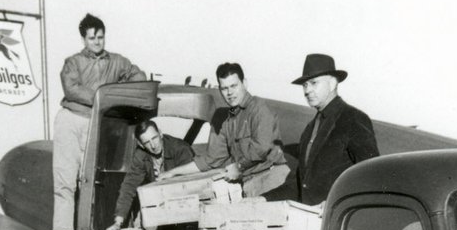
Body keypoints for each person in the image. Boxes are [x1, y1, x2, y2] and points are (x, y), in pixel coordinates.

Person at [51, 13, 146, 230]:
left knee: (89, 179)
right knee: (65, 177)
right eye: (92, 38)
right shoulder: (73, 62)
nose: (96, 42)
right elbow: (71, 88)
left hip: (98, 124)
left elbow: (139, 77)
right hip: (72, 120)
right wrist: (102, 96)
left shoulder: (117, 62)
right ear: (84, 39)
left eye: (100, 37)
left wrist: (116, 94)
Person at [157, 62, 286, 197]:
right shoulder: (226, 120)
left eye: (234, 86)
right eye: (224, 88)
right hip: (250, 182)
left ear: (245, 83)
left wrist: (238, 167)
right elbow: (210, 160)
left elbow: (261, 148)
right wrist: (173, 172)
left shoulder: (259, 108)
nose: (230, 93)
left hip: (272, 178)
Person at [286, 53, 379, 206]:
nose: (307, 91)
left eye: (314, 83)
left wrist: (335, 202)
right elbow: (298, 185)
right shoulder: (309, 130)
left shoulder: (353, 118)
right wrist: (263, 199)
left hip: (338, 219)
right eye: (305, 85)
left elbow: (370, 175)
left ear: (332, 83)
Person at [106, 119, 194, 230]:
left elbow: (192, 184)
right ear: (140, 144)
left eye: (155, 138)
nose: (153, 145)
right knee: (146, 227)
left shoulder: (181, 149)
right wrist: (118, 222)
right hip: (157, 201)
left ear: (160, 133)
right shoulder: (140, 155)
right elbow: (129, 186)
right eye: (147, 142)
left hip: (183, 202)